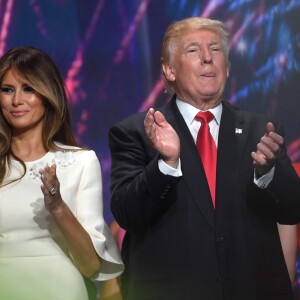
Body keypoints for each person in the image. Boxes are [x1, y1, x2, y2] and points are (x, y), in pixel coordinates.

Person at [108, 17, 300, 300]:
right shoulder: (136, 132)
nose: (208, 58)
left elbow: (292, 210)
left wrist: (268, 173)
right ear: (169, 70)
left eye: (216, 49)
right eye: (193, 51)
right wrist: (165, 165)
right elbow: (126, 213)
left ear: (228, 67)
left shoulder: (261, 131)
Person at [0, 46, 124, 300]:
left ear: (48, 94)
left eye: (29, 89)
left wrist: (57, 205)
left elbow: (91, 265)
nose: (16, 101)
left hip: (57, 289)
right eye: (7, 90)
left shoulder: (80, 162)